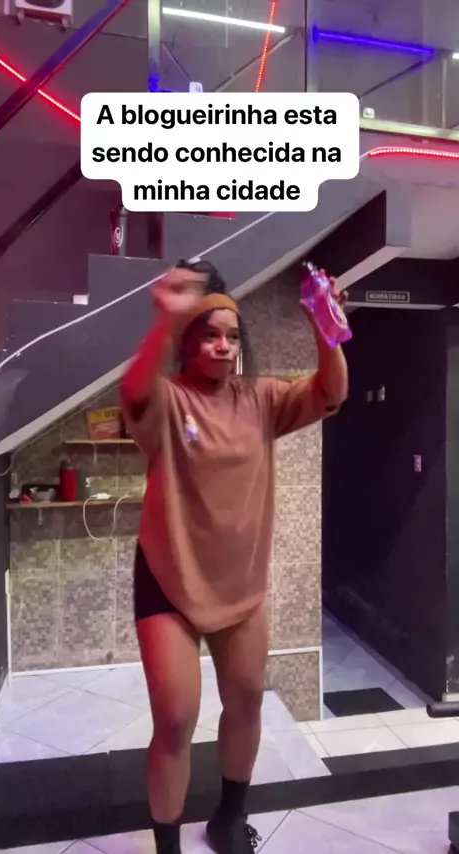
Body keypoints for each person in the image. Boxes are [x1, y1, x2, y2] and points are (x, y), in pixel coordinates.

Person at [120, 259, 349, 854]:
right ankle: (167, 848)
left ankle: (228, 820)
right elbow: (134, 394)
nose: (222, 346)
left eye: (230, 336)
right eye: (208, 336)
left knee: (245, 701)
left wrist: (325, 330)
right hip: (168, 579)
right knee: (175, 718)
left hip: (241, 585)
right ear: (189, 343)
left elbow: (330, 393)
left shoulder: (262, 399)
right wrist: (165, 320)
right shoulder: (168, 400)